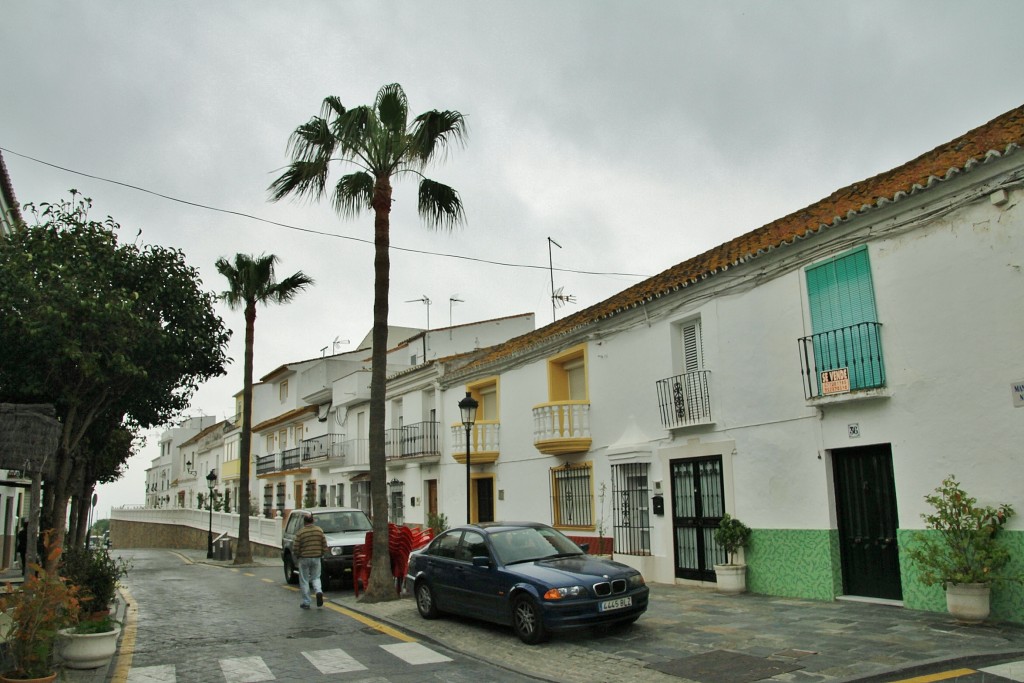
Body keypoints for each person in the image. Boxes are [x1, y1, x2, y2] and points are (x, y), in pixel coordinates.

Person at [294, 514, 328, 609]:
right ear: (313, 521)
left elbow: (296, 547)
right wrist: (322, 553)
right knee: (316, 577)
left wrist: (297, 555)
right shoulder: (319, 531)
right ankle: (318, 591)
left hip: (304, 558)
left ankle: (306, 602)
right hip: (316, 557)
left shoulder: (301, 532)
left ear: (304, 522)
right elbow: (324, 545)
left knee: (304, 580)